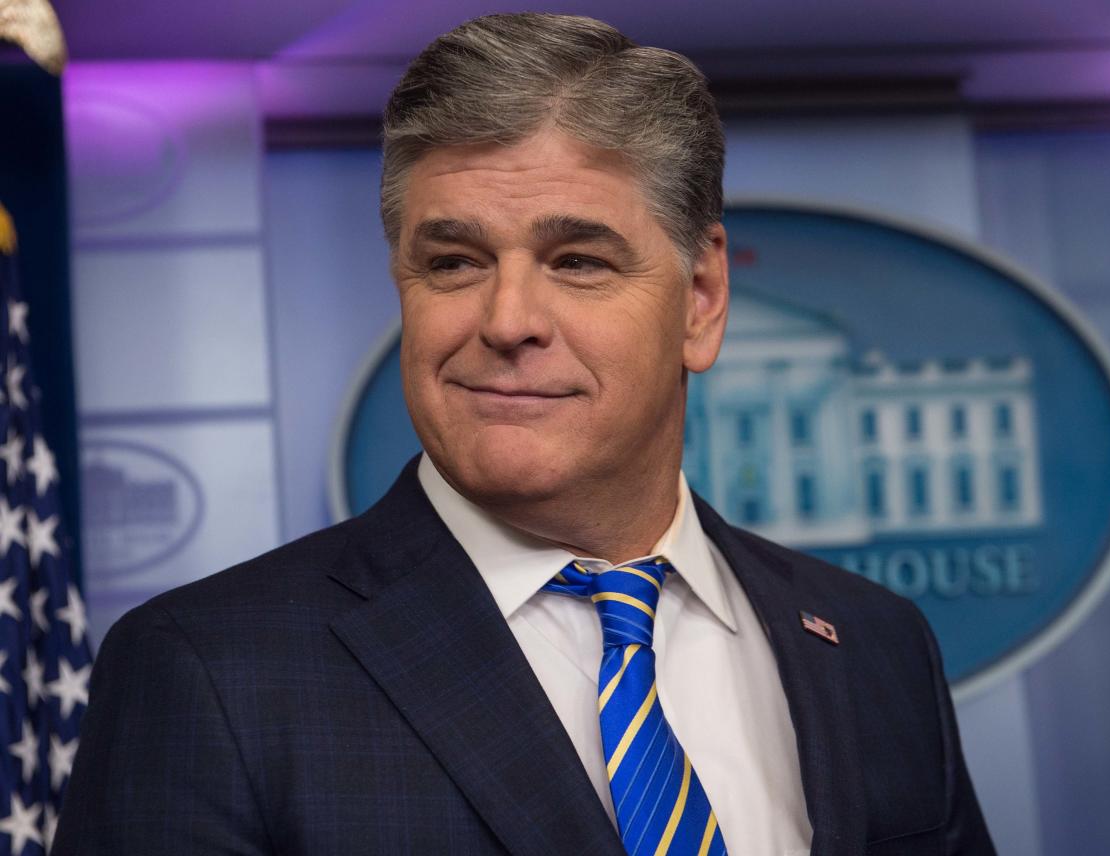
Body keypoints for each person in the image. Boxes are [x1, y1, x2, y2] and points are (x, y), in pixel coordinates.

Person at [54, 12, 994, 856]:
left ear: (701, 302)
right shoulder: (208, 671)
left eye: (577, 261)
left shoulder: (874, 643)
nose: (507, 320)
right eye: (454, 261)